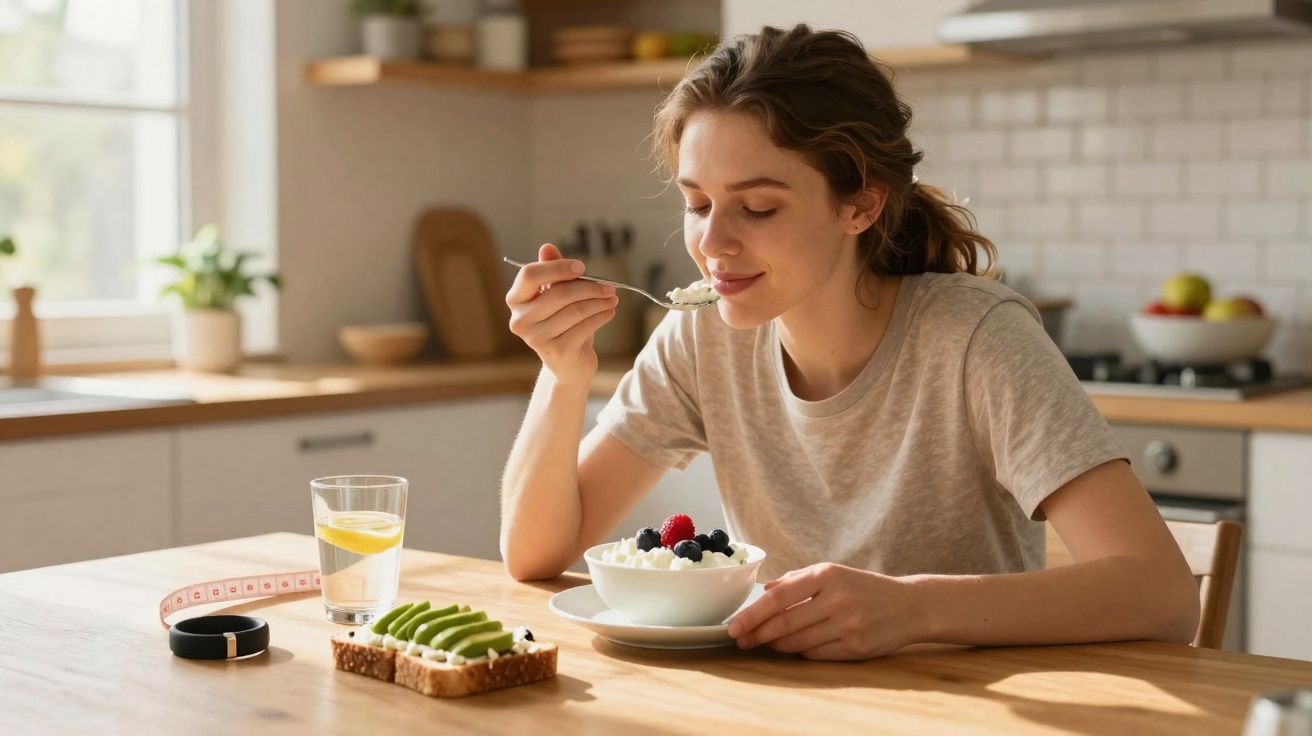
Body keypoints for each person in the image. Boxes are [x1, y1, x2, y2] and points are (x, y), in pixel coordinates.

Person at [499, 24, 1199, 661]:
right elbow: (534, 554)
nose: (712, 244)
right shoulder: (699, 336)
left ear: (861, 203)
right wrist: (561, 374)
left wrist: (914, 609)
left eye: (758, 206)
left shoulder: (975, 340)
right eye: (698, 204)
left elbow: (1164, 597)